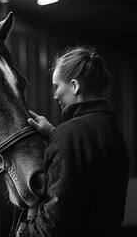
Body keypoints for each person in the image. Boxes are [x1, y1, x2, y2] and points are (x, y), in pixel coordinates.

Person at [16, 46, 130, 237]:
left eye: (56, 86)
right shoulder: (112, 130)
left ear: (75, 86)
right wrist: (54, 134)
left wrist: (25, 232)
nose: (54, 95)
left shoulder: (71, 134)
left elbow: (53, 223)